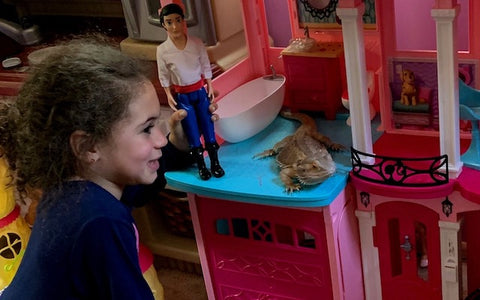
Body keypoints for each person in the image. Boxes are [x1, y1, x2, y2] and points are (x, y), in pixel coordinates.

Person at [0, 40, 217, 299]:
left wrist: (177, 146)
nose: (159, 138)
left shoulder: (76, 193)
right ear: (88, 146)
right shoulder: (98, 219)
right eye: (147, 128)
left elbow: (137, 192)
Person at [156, 3, 224, 180]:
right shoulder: (163, 50)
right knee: (192, 131)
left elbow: (205, 64)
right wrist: (168, 95)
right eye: (169, 22)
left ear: (183, 21)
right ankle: (201, 166)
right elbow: (163, 75)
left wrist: (209, 84)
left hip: (200, 92)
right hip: (183, 96)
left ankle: (215, 162)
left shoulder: (196, 43)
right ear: (163, 24)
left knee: (208, 126)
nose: (175, 26)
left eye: (178, 21)